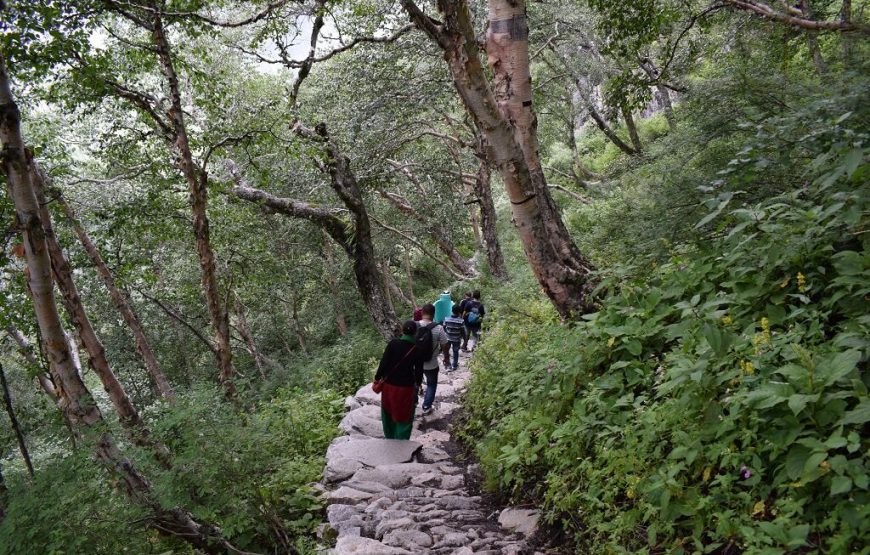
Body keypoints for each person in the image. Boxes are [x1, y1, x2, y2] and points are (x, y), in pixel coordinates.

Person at [374, 320, 424, 439]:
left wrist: (377, 378)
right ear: (415, 333)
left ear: (402, 331)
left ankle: (390, 438)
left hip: (389, 387)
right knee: (404, 416)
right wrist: (418, 383)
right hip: (406, 388)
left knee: (388, 412)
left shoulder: (393, 344)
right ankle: (401, 442)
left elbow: (384, 363)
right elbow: (419, 371)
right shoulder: (417, 349)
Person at [417, 303, 449, 415]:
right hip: (431, 363)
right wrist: (446, 358)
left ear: (422, 313)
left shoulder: (414, 325)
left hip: (416, 362)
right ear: (433, 314)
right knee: (431, 384)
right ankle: (426, 406)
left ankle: (412, 403)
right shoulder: (438, 328)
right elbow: (445, 344)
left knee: (415, 382)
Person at [442, 304, 466, 371]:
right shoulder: (461, 321)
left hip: (447, 338)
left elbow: (443, 328)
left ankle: (448, 365)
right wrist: (465, 340)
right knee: (455, 352)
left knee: (446, 352)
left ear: (452, 310)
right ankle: (454, 365)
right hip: (457, 339)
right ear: (459, 312)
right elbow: (463, 331)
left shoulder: (446, 319)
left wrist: (445, 334)